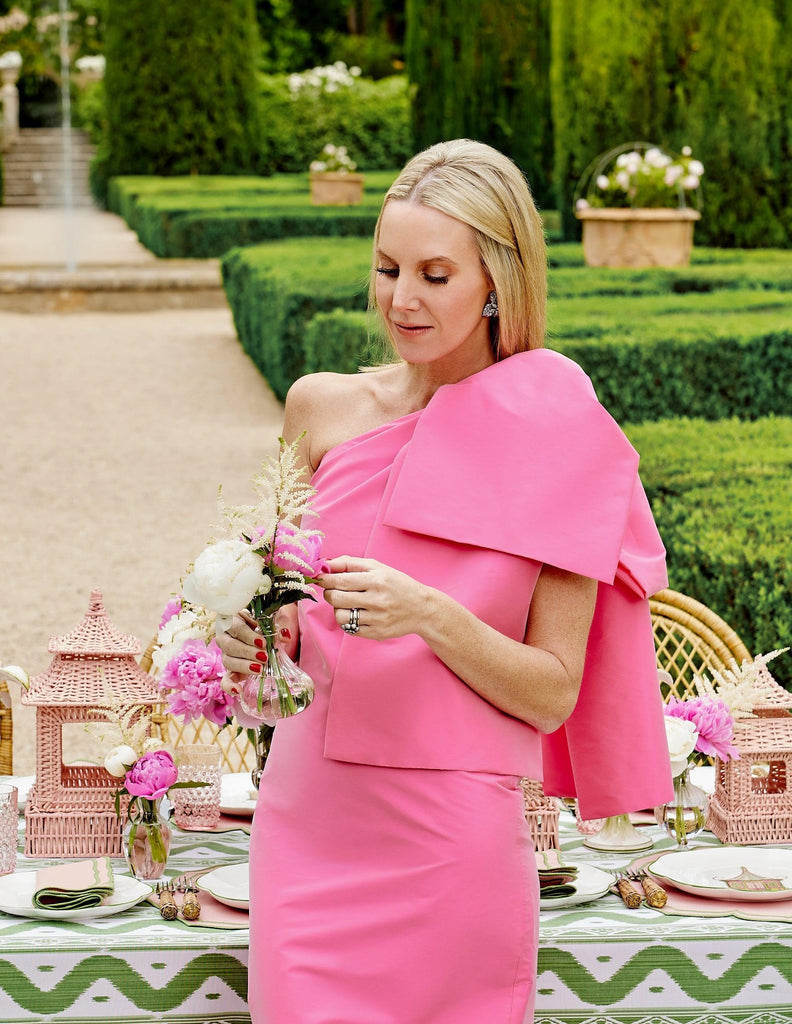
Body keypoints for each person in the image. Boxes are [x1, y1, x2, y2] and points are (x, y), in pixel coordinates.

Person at [218, 138, 674, 1023]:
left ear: (497, 282)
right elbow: (282, 639)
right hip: (308, 826)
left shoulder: (559, 431)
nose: (401, 299)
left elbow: (552, 694)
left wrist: (429, 614)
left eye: (435, 275)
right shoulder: (318, 406)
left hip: (451, 845)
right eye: (388, 268)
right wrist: (251, 645)